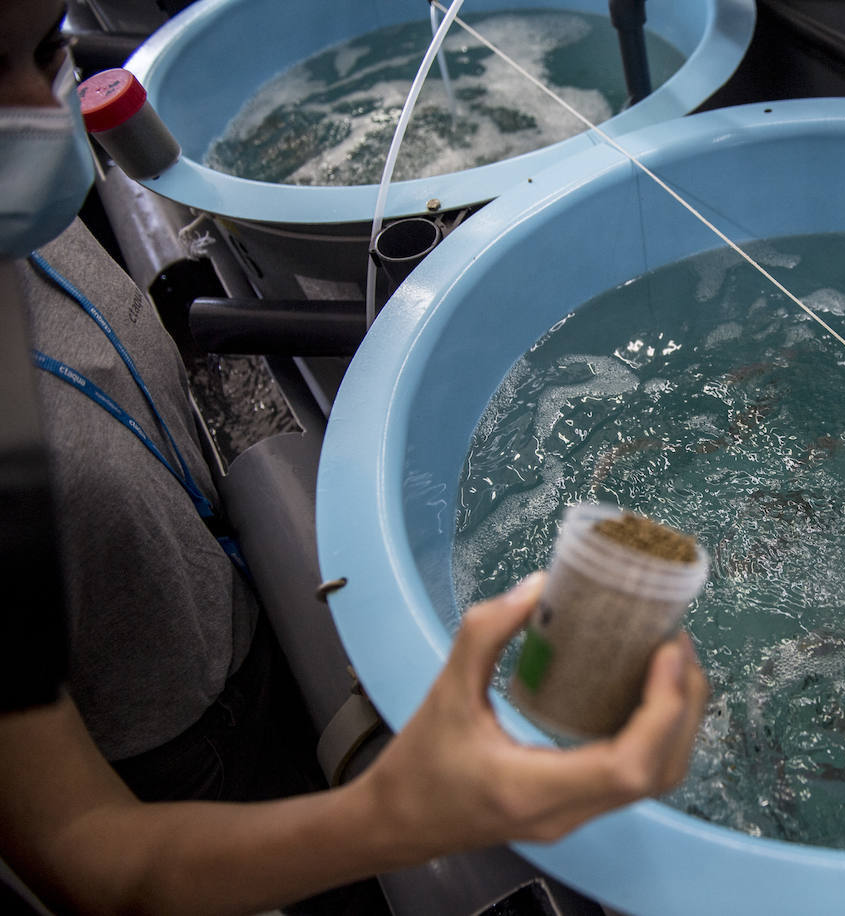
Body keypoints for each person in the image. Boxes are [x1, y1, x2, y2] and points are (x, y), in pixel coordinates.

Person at [0, 0, 709, 911]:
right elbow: (101, 857)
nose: (32, 109)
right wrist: (403, 814)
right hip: (174, 734)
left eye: (43, 48)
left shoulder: (22, 225)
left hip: (202, 580)